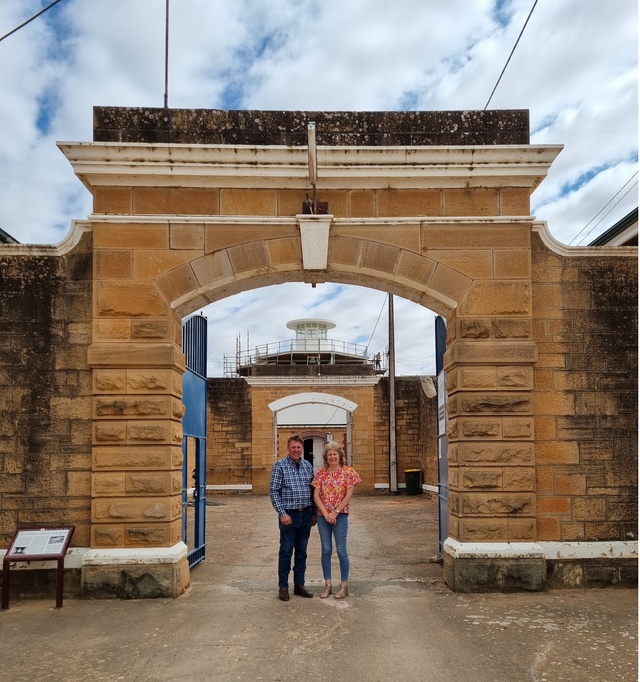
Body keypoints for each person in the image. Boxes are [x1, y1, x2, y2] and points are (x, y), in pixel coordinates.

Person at [269, 434, 317, 601]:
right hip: (289, 515)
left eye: (298, 447)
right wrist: (282, 513)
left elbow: (313, 490)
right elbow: (274, 491)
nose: (296, 450)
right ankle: (283, 587)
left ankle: (299, 585)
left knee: (302, 552)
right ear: (288, 448)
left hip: (305, 514)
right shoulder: (280, 466)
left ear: (301, 448)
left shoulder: (307, 466)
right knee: (286, 551)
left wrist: (313, 512)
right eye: (293, 447)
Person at [312, 441, 362, 599]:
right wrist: (326, 513)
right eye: (329, 454)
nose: (332, 457)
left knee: (341, 551)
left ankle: (344, 585)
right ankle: (328, 585)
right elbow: (316, 495)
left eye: (335, 454)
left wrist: (335, 512)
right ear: (326, 457)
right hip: (323, 516)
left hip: (340, 516)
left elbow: (348, 495)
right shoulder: (321, 473)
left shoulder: (348, 472)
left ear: (340, 456)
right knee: (326, 550)